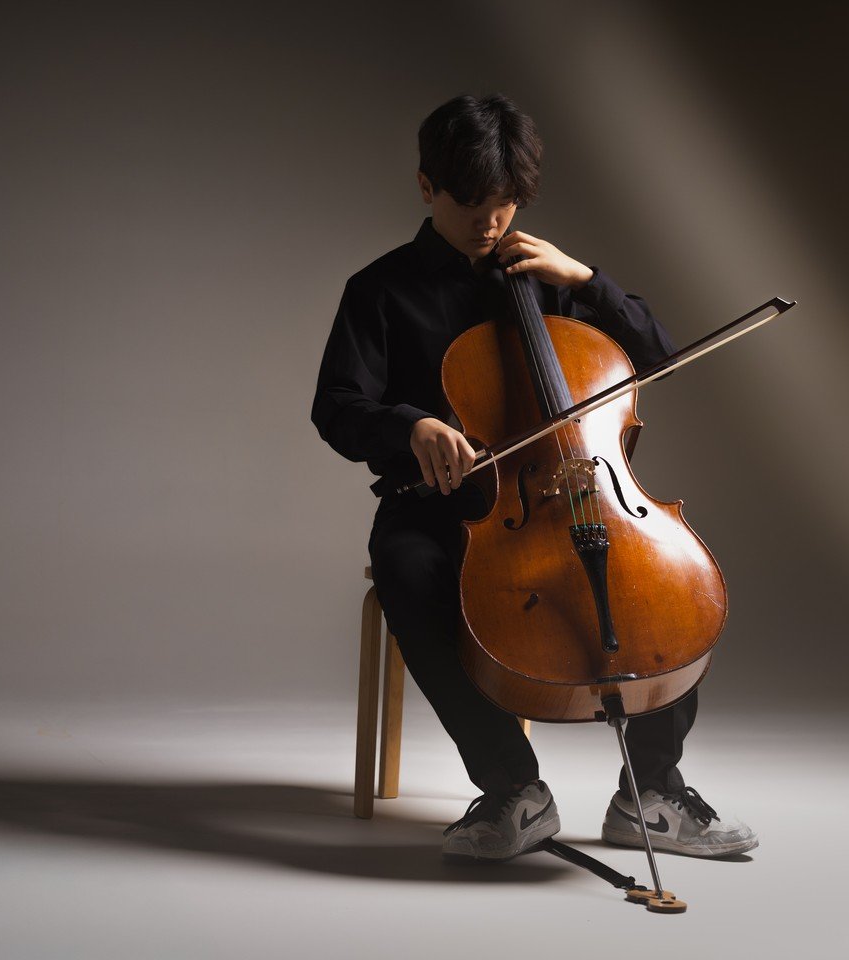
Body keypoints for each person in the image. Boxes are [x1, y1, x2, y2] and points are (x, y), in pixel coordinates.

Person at [311, 93, 758, 862]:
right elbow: (337, 407)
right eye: (473, 203)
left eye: (507, 203)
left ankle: (651, 792)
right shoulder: (379, 291)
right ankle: (511, 788)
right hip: (442, 508)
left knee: (664, 583)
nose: (493, 223)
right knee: (404, 566)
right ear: (427, 187)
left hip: (575, 492)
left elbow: (658, 356)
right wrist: (409, 427)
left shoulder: (549, 279)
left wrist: (586, 281)